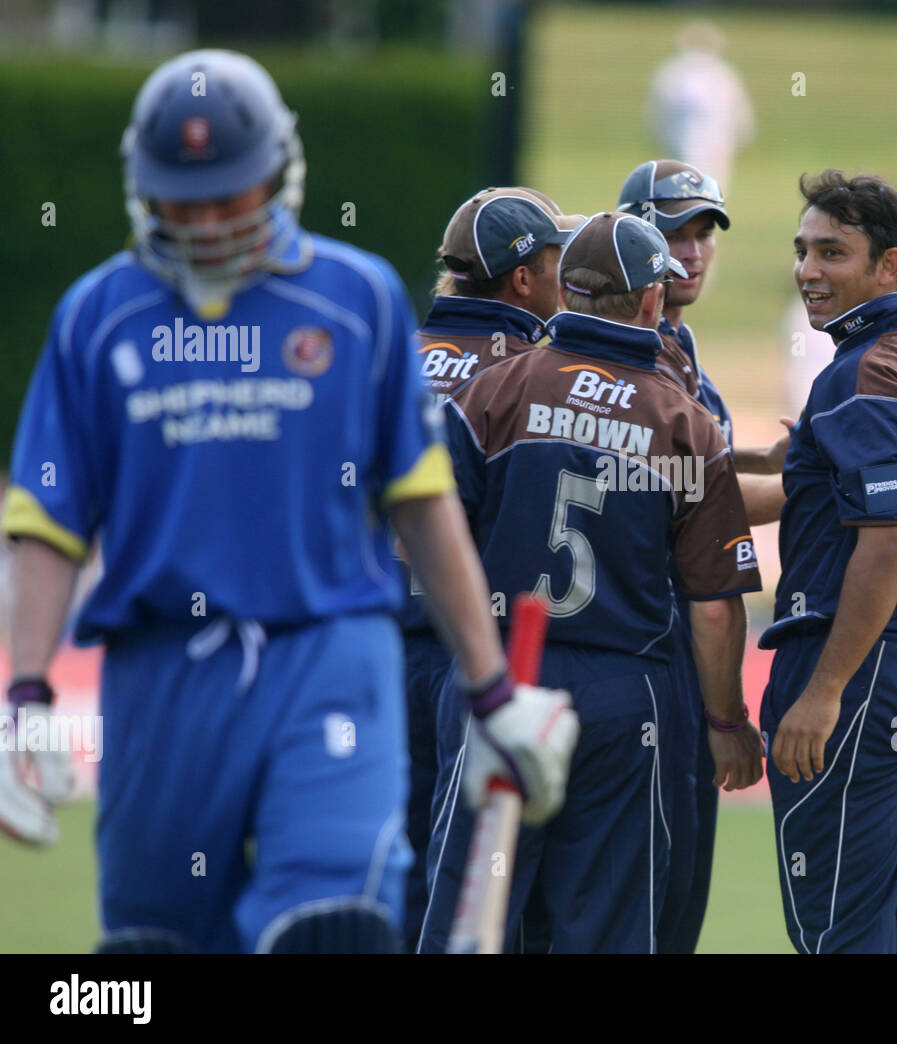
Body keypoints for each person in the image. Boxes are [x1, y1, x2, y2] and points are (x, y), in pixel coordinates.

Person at [0, 49, 577, 954]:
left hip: (328, 658)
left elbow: (422, 503)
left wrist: (491, 691)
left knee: (334, 932)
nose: (208, 220)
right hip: (159, 676)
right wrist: (24, 694)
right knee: (147, 960)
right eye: (184, 199)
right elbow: (47, 519)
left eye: (230, 194)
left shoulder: (359, 302)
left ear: (278, 173)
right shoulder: (96, 316)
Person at [418, 211, 765, 954]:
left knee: (471, 915)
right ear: (650, 302)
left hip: (503, 676)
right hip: (622, 699)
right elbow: (712, 609)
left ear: (566, 291)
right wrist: (727, 725)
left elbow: (429, 536)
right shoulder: (686, 422)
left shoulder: (492, 391)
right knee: (604, 926)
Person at [760, 170, 897, 954]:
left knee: (839, 934)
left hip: (865, 672)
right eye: (802, 251)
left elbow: (885, 541)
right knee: (889, 928)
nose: (808, 271)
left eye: (832, 252)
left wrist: (824, 689)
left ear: (890, 265)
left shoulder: (866, 370)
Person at [396, 185, 581, 952]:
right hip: (475, 659)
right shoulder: (532, 373)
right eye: (555, 260)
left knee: (382, 874)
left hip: (369, 653)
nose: (567, 275)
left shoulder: (392, 356)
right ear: (522, 280)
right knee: (475, 890)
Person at [615, 158, 786, 953]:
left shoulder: (674, 343)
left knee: (669, 897)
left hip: (652, 650)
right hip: (649, 650)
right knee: (650, 902)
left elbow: (705, 462)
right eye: (672, 231)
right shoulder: (641, 351)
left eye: (703, 233)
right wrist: (830, 489)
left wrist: (772, 459)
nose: (692, 251)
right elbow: (695, 501)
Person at [645, 22, 754, 190]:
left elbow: (737, 108)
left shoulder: (721, 73)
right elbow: (662, 108)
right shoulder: (676, 72)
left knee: (713, 185)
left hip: (716, 139)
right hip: (687, 139)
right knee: (688, 183)